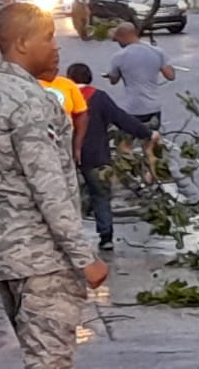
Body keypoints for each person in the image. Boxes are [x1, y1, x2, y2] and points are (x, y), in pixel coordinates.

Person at [0, 2, 109, 369]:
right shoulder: (31, 101)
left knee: (38, 361)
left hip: (5, 256)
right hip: (44, 259)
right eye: (48, 38)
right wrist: (85, 257)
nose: (56, 48)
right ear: (22, 43)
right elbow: (49, 187)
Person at [66, 63, 158, 250]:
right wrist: (146, 133)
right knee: (100, 195)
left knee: (64, 198)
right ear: (89, 78)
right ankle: (106, 236)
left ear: (68, 78)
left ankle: (69, 238)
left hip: (64, 157)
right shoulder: (99, 98)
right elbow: (121, 118)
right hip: (95, 156)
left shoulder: (60, 96)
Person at [107, 22, 175, 129]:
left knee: (129, 142)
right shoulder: (157, 51)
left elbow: (113, 80)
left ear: (122, 37)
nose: (118, 42)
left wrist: (115, 74)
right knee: (151, 140)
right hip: (153, 108)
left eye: (117, 39)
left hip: (132, 109)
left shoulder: (119, 56)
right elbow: (170, 75)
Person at [38, 63, 88, 165]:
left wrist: (77, 146)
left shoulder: (68, 84)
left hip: (64, 141)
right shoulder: (30, 83)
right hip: (38, 139)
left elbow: (81, 113)